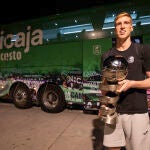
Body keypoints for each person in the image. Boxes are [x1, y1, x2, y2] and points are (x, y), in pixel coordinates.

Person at [100, 12, 150, 150]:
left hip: (137, 112)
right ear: (115, 28)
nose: (122, 27)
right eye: (118, 24)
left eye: (126, 23)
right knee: (113, 148)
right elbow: (104, 85)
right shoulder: (106, 55)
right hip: (113, 110)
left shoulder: (142, 50)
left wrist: (132, 83)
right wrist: (103, 104)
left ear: (131, 28)